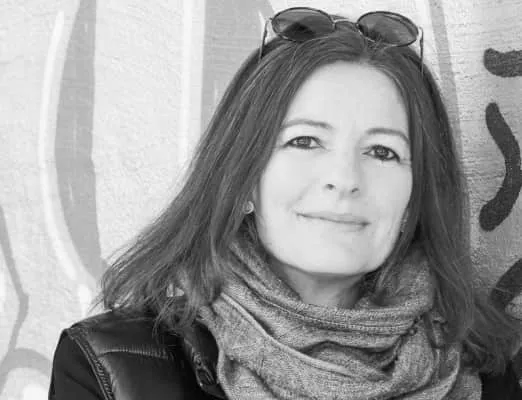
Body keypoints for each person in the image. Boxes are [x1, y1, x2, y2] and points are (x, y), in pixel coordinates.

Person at [48, 6, 522, 400]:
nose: (344, 179)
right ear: (244, 176)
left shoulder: (485, 369)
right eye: (305, 141)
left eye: (382, 152)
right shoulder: (111, 371)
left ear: (416, 196)